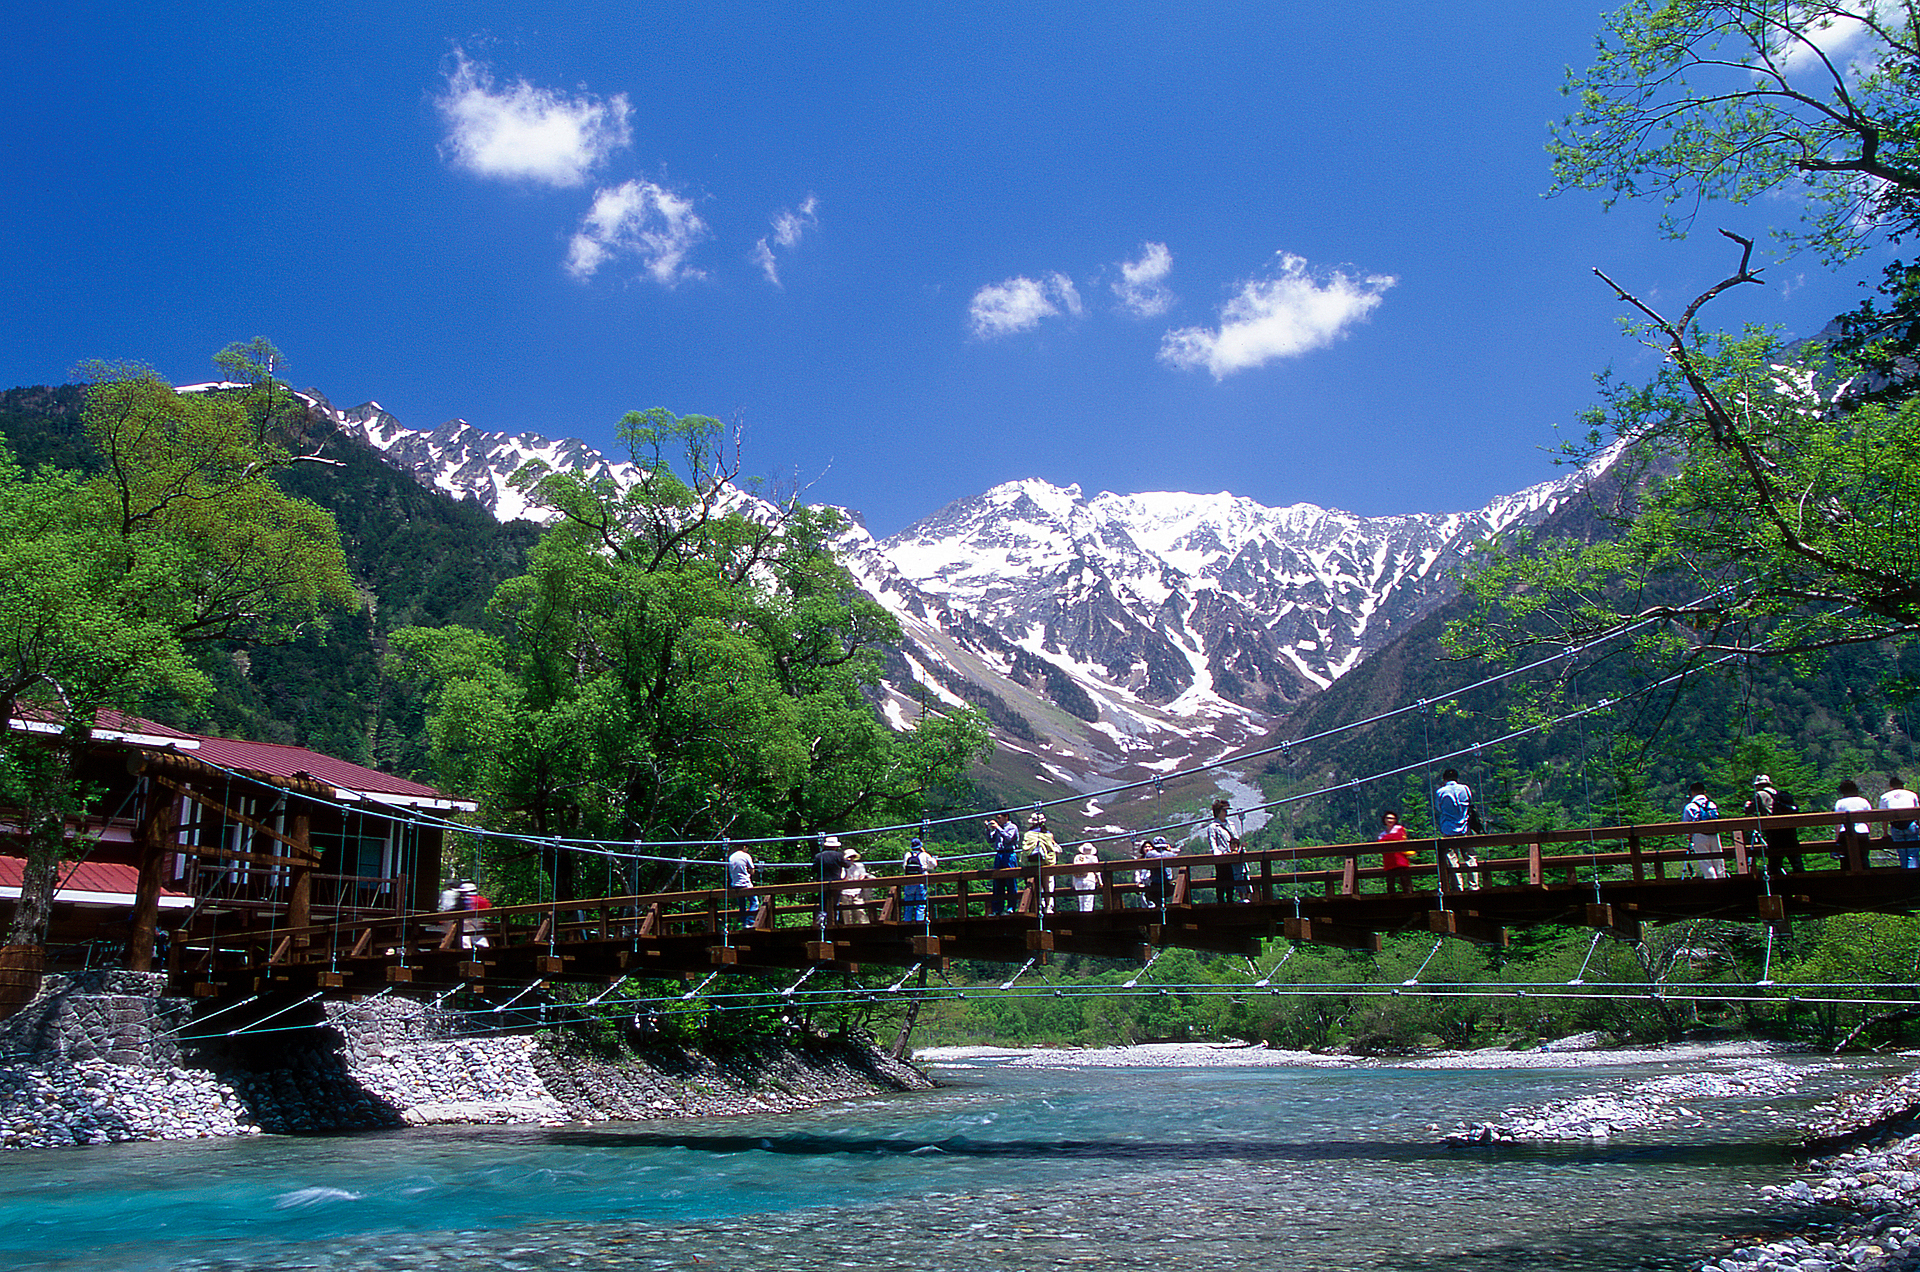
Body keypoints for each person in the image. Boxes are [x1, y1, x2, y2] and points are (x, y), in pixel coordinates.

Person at [1746, 774, 1803, 874]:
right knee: (1795, 859)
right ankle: (1803, 879)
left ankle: (1775, 884)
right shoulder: (1776, 793)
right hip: (1788, 829)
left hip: (1774, 831)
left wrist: (1746, 806)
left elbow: (1750, 810)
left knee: (1774, 860)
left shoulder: (1760, 794)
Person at [1433, 769, 1480, 891]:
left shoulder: (1441, 792)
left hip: (1448, 828)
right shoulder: (1465, 789)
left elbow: (1438, 808)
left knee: (1452, 858)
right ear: (1457, 778)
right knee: (1470, 856)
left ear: (1444, 779)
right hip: (1465, 827)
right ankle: (1473, 885)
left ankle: (1458, 886)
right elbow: (1470, 803)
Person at [1682, 782, 1725, 879]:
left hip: (1700, 835)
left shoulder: (1690, 806)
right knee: (1718, 861)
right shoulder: (1712, 804)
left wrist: (1689, 836)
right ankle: (1723, 881)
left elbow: (1685, 826)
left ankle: (1713, 884)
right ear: (1704, 791)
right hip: (1714, 834)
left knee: (1706, 862)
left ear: (1692, 792)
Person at [1205, 799, 1246, 903]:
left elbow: (1236, 839)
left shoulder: (1231, 825)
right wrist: (1217, 852)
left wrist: (1237, 849)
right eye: (1224, 810)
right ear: (1218, 812)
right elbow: (1212, 841)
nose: (1226, 813)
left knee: (1232, 877)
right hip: (1221, 857)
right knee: (1222, 877)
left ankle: (1230, 898)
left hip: (1231, 855)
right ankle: (1220, 899)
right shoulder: (1213, 826)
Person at [1023, 813, 1061, 914]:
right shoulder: (1048, 835)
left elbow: (1025, 851)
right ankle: (1049, 907)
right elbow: (1053, 849)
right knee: (1048, 885)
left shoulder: (1028, 835)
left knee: (1036, 886)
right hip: (1046, 864)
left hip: (1033, 865)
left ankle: (1039, 906)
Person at [1880, 774, 1920, 869]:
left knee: (1902, 854)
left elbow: (1883, 816)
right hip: (1910, 824)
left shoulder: (1885, 796)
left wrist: (1885, 833)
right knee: (1913, 854)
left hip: (1896, 825)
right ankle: (1914, 876)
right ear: (1902, 785)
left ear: (1891, 786)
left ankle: (1905, 876)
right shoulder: (1911, 794)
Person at [985, 813, 1021, 916]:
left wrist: (998, 829)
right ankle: (997, 909)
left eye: (1000, 818)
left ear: (1006, 817)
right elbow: (990, 840)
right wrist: (988, 830)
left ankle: (1011, 908)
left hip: (1009, 854)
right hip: (999, 855)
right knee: (997, 882)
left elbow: (1009, 838)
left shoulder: (1012, 827)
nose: (998, 820)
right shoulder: (998, 828)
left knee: (1011, 881)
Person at [1836, 779, 1875, 866]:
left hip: (1845, 834)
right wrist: (1869, 832)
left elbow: (1838, 822)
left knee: (1846, 859)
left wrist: (1837, 837)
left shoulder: (1840, 803)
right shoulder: (1863, 801)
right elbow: (1869, 819)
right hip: (1862, 833)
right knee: (1863, 857)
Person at [1377, 810, 1413, 894]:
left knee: (1405, 881)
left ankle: (1409, 897)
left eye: (1392, 818)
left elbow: (1399, 838)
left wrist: (1386, 839)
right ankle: (1391, 899)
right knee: (1390, 883)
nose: (1390, 820)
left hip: (1400, 860)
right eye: (1388, 818)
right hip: (1389, 861)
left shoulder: (1399, 829)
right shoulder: (1382, 834)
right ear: (1384, 820)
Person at [814, 835, 847, 926]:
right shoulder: (838, 855)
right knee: (835, 903)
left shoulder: (818, 856)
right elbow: (846, 865)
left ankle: (821, 922)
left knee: (822, 903)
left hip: (822, 882)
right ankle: (833, 922)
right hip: (835, 883)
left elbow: (814, 868)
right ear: (835, 846)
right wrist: (849, 861)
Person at [901, 838, 933, 923]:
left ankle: (906, 922)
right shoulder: (924, 854)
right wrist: (926, 867)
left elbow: (904, 866)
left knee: (908, 904)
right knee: (921, 904)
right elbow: (934, 864)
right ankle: (920, 923)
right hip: (921, 881)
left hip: (909, 881)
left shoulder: (908, 854)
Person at [727, 843, 757, 925]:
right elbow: (752, 869)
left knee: (742, 905)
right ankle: (750, 922)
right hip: (745, 883)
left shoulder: (731, 857)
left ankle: (744, 923)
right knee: (754, 902)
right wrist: (750, 874)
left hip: (735, 884)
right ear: (744, 847)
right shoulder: (746, 855)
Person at [842, 848, 872, 924]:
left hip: (857, 892)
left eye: (853, 857)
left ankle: (866, 929)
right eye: (849, 857)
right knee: (847, 914)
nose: (851, 859)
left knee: (861, 912)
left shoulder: (859, 866)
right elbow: (842, 878)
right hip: (845, 892)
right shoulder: (842, 868)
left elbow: (863, 875)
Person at [1070, 843, 1101, 912]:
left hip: (1078, 880)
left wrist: (1073, 884)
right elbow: (1097, 871)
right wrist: (1100, 882)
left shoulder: (1077, 857)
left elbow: (1073, 870)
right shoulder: (1093, 858)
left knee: (1081, 902)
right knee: (1088, 902)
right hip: (1089, 880)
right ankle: (1087, 919)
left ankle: (1081, 917)